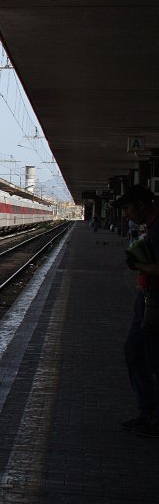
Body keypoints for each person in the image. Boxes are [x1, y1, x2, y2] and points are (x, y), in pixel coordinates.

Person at [116, 185, 159, 436]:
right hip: (146, 299)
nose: (126, 215)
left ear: (142, 205)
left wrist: (140, 264)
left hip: (155, 303)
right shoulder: (151, 228)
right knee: (137, 353)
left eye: (128, 208)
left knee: (150, 357)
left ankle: (152, 415)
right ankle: (147, 411)